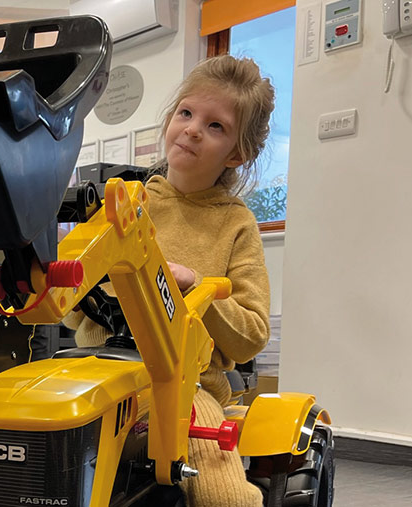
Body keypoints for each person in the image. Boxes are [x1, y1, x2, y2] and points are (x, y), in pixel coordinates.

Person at [64, 55, 274, 507]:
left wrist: (196, 286)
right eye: (186, 113)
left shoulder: (235, 225)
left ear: (237, 153)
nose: (193, 129)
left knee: (225, 499)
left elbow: (252, 333)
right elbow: (68, 307)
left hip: (183, 389)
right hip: (93, 375)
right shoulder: (121, 206)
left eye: (215, 126)